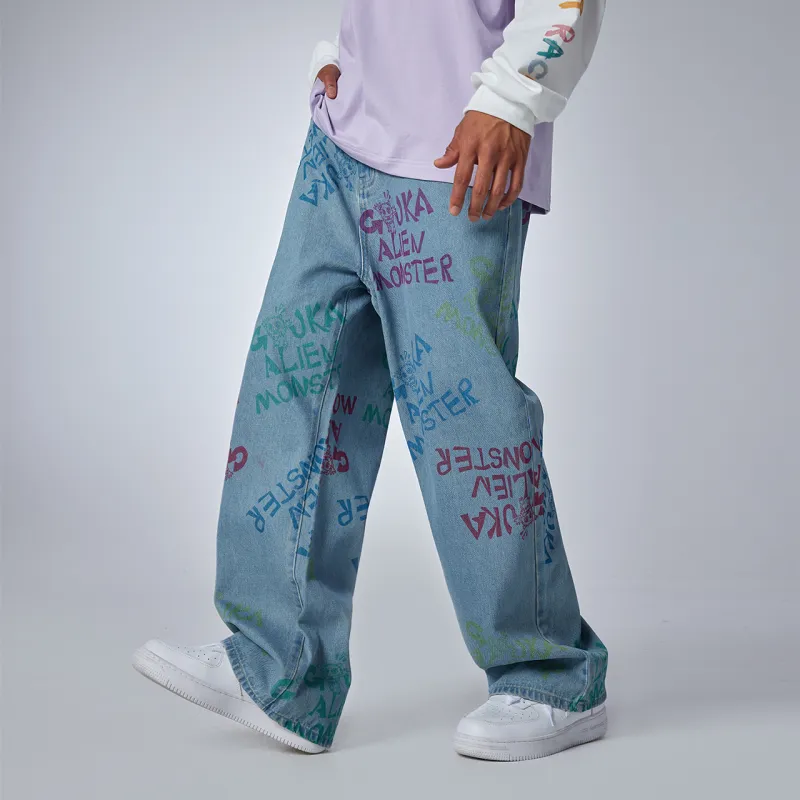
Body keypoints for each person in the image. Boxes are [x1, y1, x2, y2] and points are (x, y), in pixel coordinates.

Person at [133, 0, 608, 762]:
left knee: (466, 421)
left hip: (457, 152)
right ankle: (281, 669)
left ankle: (551, 675)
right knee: (294, 382)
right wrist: (344, 53)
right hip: (342, 140)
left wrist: (514, 96)